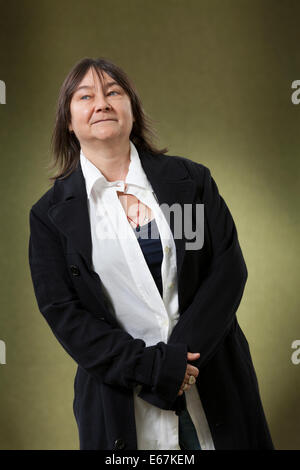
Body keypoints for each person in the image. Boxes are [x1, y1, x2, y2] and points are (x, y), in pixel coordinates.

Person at [28, 57, 274, 450]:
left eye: (113, 92)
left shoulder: (191, 180)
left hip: (214, 380)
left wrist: (180, 365)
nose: (102, 103)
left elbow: (228, 270)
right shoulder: (49, 216)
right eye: (85, 96)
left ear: (132, 109)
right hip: (120, 400)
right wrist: (153, 371)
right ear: (69, 122)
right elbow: (64, 312)